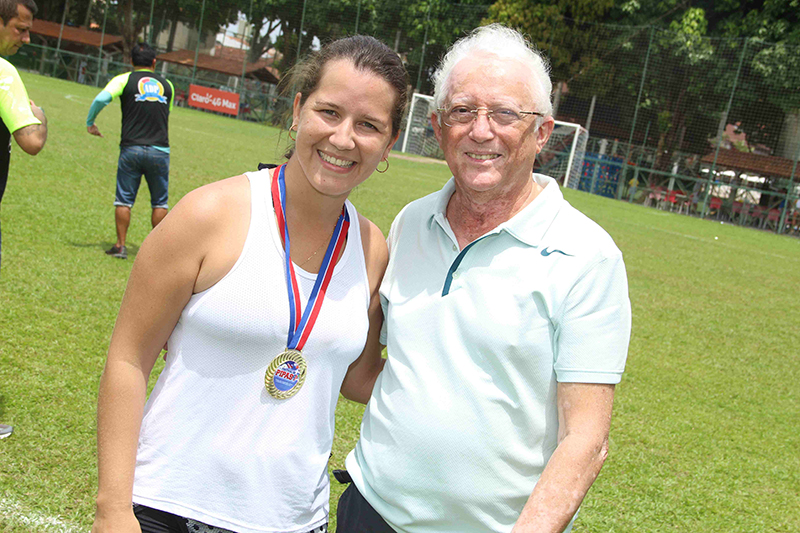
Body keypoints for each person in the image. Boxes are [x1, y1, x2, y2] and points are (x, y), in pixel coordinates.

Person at [91, 35, 408, 533]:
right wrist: (113, 508)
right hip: (169, 509)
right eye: (329, 112)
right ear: (298, 111)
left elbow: (357, 378)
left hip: (295, 520)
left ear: (389, 144)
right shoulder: (209, 214)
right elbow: (128, 359)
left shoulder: (372, 249)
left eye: (368, 125)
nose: (344, 138)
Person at [338, 24, 631, 533]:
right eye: (462, 111)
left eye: (505, 114)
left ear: (543, 133)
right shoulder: (411, 222)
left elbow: (585, 439)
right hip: (369, 510)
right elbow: (370, 375)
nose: (480, 131)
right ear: (437, 126)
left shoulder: (588, 256)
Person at [0, 0, 47, 440]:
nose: (26, 37)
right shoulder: (3, 72)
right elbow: (31, 140)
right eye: (20, 28)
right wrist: (41, 116)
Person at [86, 42, 175, 260]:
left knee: (124, 201)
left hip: (131, 148)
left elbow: (102, 98)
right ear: (154, 62)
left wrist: (90, 122)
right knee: (159, 202)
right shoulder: (168, 86)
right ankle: (159, 252)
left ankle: (120, 246)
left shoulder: (124, 79)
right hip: (159, 150)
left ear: (131, 61)